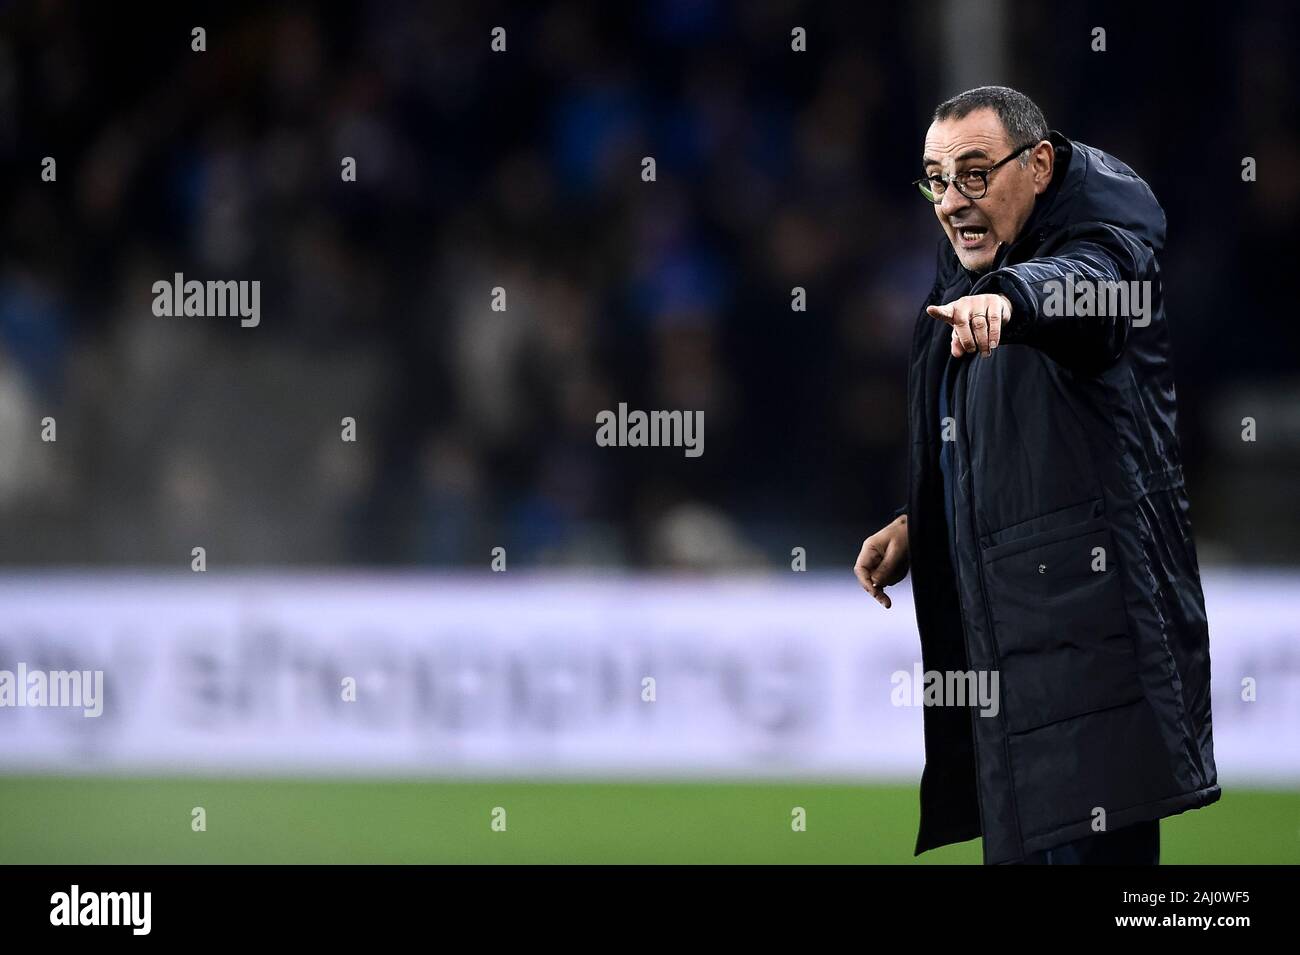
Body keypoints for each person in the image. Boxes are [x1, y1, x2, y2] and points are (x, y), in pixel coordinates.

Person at [853, 86, 1218, 865]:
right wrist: (923, 518)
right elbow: (1003, 438)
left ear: (1040, 163)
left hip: (1091, 670)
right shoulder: (971, 260)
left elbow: (1088, 291)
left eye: (977, 173)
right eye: (937, 178)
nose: (953, 201)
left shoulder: (1105, 240)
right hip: (1015, 666)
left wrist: (1011, 301)